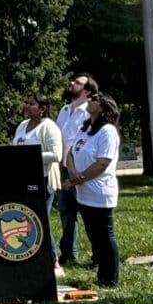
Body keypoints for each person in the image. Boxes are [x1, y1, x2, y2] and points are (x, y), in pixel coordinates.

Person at [64, 92, 121, 288]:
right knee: (94, 235)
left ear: (104, 107)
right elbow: (71, 153)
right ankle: (101, 272)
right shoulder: (85, 128)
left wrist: (79, 178)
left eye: (95, 99)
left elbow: (103, 162)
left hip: (100, 191)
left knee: (105, 235)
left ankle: (110, 278)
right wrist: (72, 173)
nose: (90, 100)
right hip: (83, 192)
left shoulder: (107, 131)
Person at [13, 93, 64, 277]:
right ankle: (32, 258)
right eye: (26, 102)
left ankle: (54, 261)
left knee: (40, 219)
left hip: (43, 180)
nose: (27, 106)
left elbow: (57, 155)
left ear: (42, 108)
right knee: (27, 219)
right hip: (23, 180)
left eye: (32, 103)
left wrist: (30, 155)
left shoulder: (49, 127)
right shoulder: (22, 126)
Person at [55, 73, 97, 267]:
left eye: (78, 83)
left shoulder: (89, 111)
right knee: (66, 211)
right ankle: (68, 254)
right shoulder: (64, 110)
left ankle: (98, 257)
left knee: (89, 213)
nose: (71, 83)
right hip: (63, 167)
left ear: (87, 91)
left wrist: (76, 171)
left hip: (81, 170)